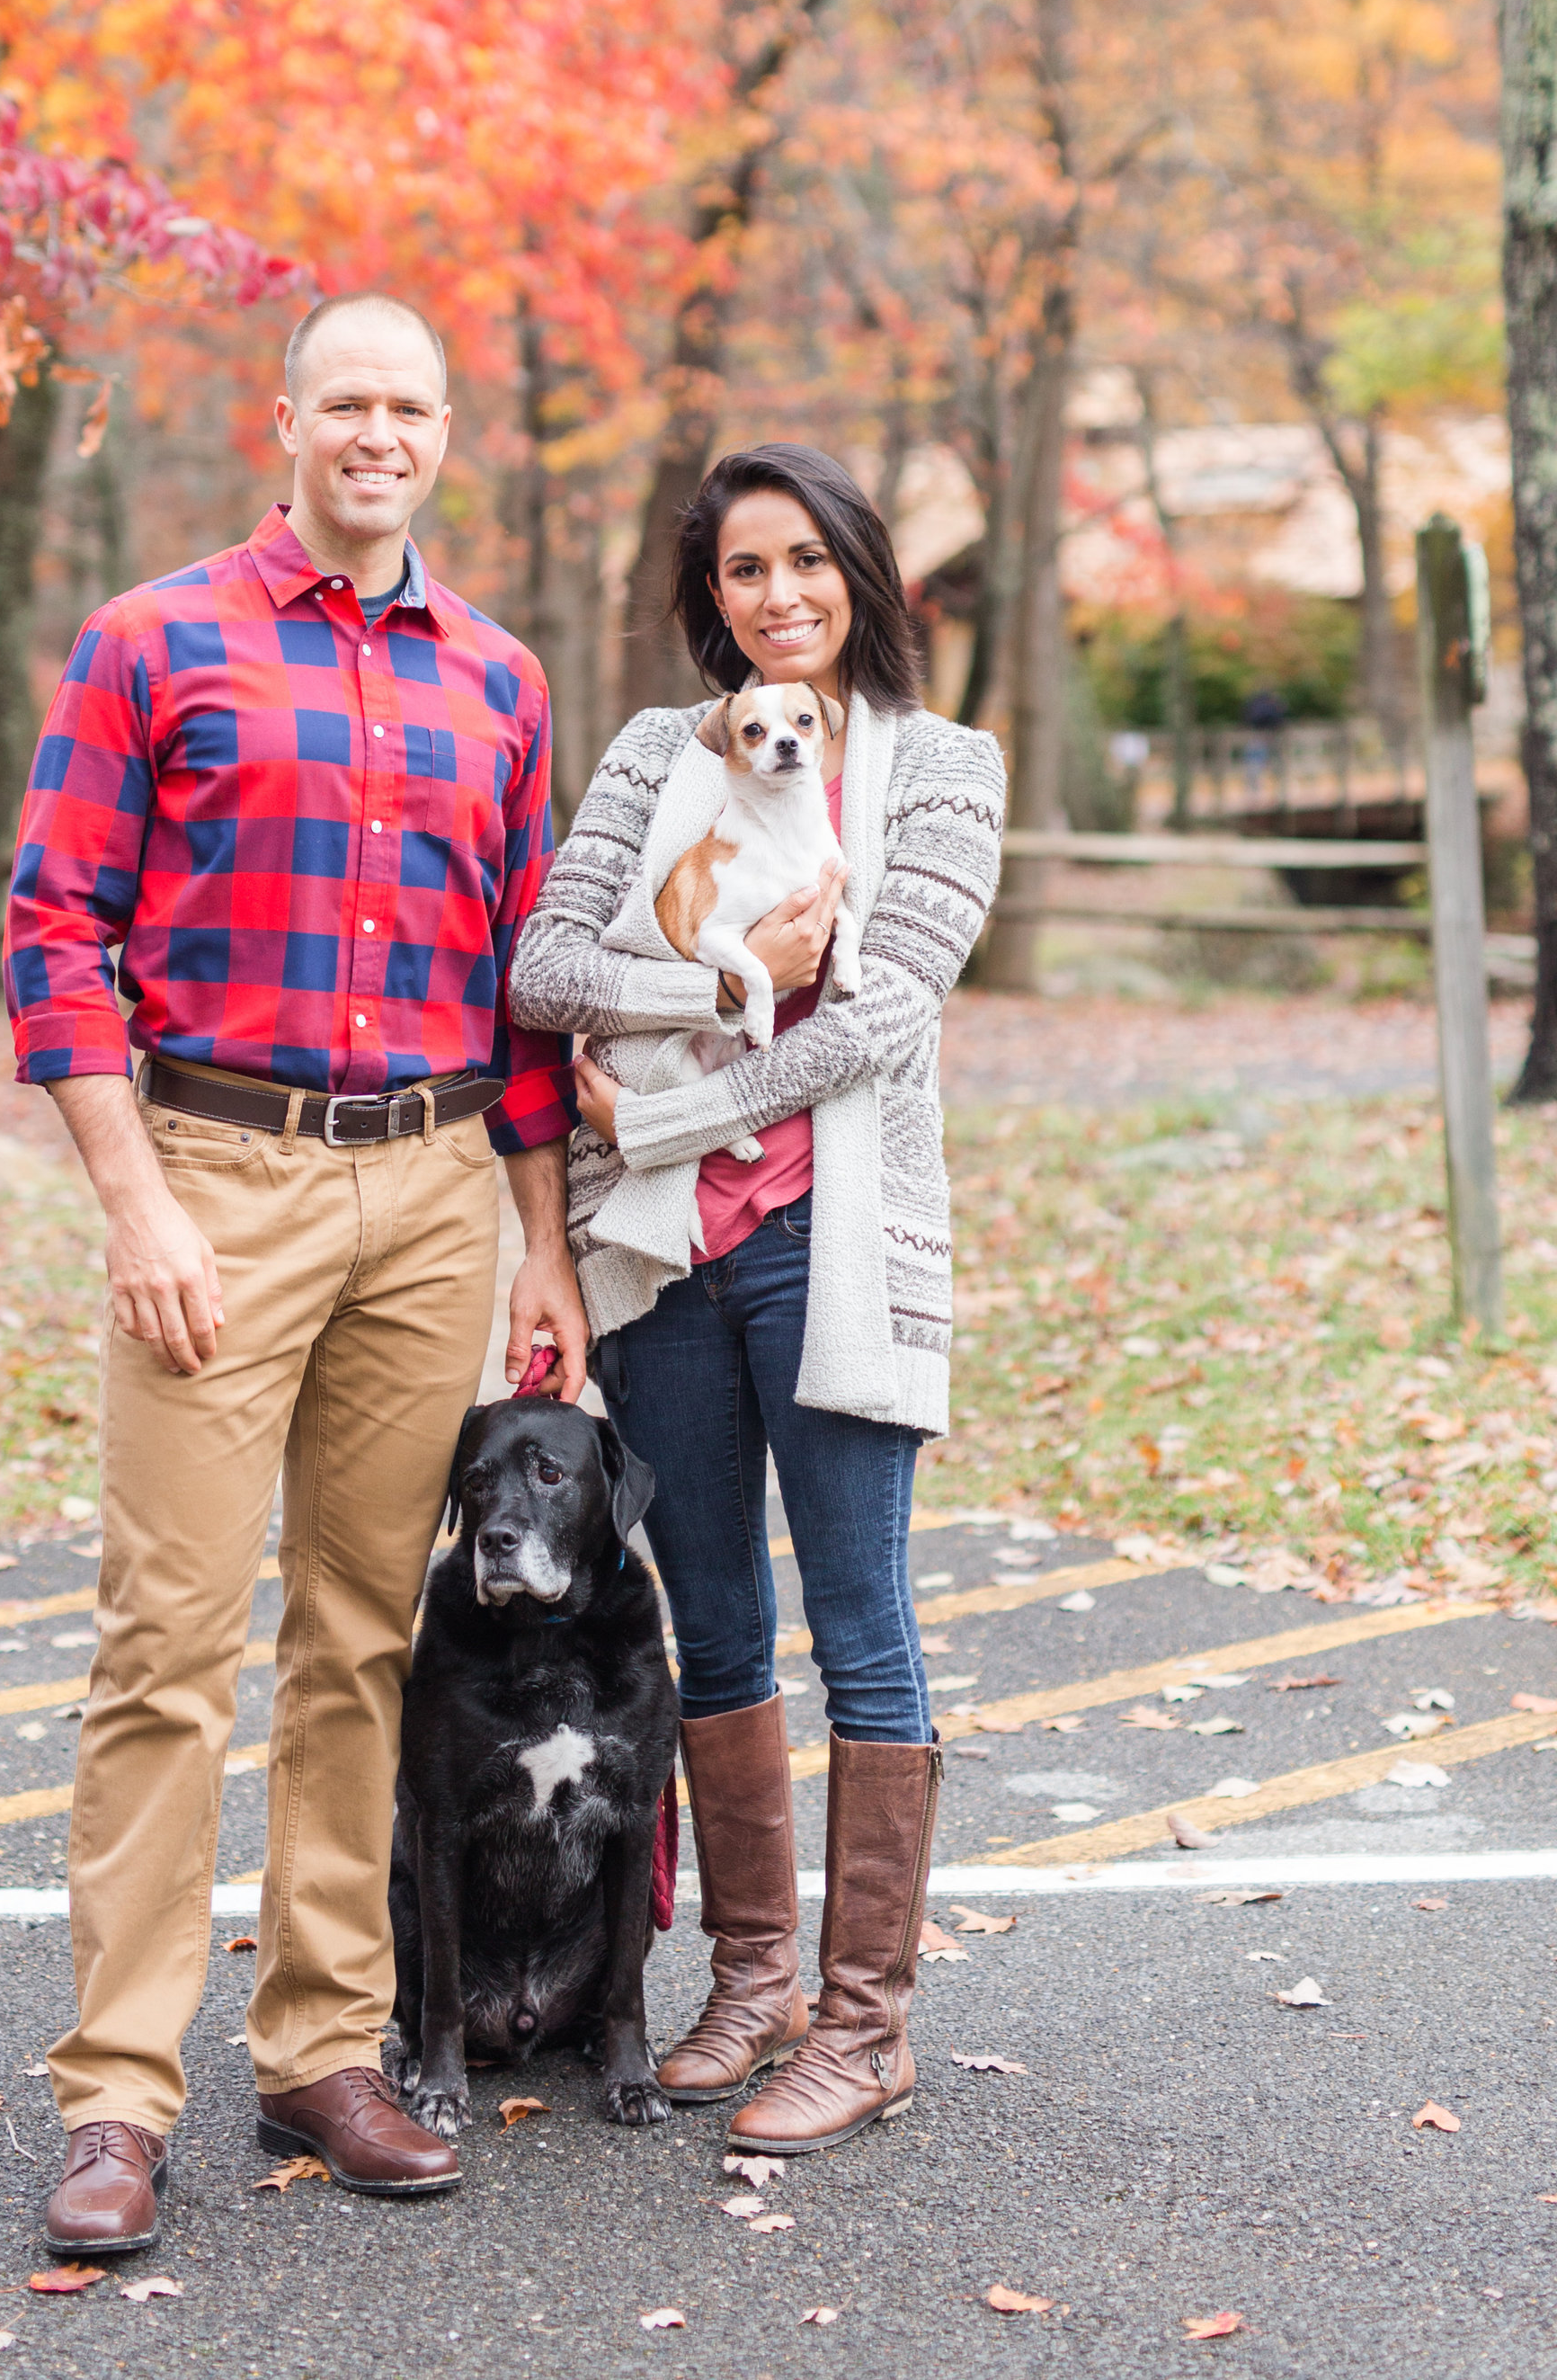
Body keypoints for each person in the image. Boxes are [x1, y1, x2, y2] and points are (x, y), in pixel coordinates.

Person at [4, 293, 586, 2255]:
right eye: (346, 399)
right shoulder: (153, 639)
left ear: (443, 434)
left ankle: (326, 2040)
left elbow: (524, 996)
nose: (377, 431)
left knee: (363, 1638)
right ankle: (114, 2096)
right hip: (216, 1171)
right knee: (166, 1644)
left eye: (410, 405)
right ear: (286, 419)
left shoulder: (497, 680)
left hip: (429, 1189)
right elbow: (54, 932)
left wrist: (535, 1246)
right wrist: (134, 1202)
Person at [509, 445, 1004, 2153]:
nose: (778, 595)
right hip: (663, 1256)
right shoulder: (660, 753)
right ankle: (748, 1985)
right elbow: (546, 968)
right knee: (711, 1622)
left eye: (807, 561)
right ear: (707, 598)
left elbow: (881, 1018)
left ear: (861, 571)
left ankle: (865, 2025)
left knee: (860, 1619)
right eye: (742, 571)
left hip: (830, 1247)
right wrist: (731, 974)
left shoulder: (942, 770)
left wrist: (651, 1102)